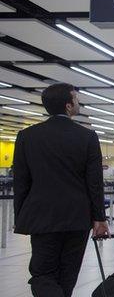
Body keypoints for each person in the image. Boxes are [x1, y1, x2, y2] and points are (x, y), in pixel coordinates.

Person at [13, 83, 109, 297]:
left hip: (41, 217)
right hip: (77, 218)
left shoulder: (27, 136)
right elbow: (94, 183)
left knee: (42, 274)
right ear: (68, 105)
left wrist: (21, 217)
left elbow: (20, 181)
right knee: (68, 274)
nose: (79, 102)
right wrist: (99, 218)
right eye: (76, 98)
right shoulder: (87, 137)